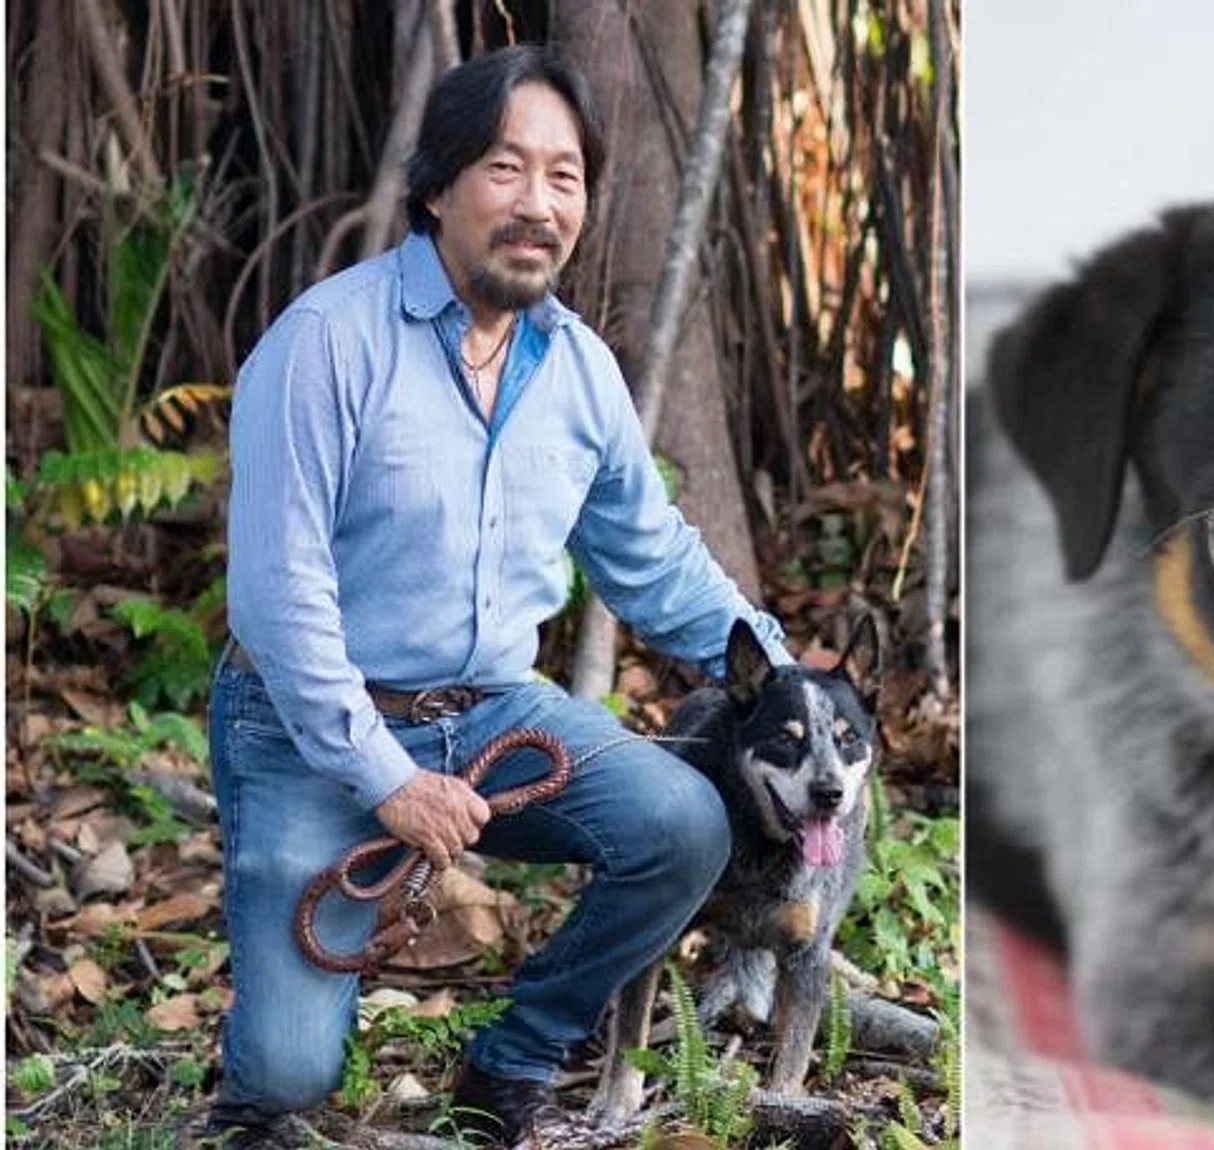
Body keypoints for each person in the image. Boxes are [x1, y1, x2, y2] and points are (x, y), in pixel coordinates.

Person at [202, 44, 788, 1148]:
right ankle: (264, 1062)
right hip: (307, 724)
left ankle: (511, 1057)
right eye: (507, 169)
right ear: (436, 187)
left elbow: (651, 557)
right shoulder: (326, 343)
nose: (538, 205)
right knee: (285, 1078)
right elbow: (280, 601)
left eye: (565, 177)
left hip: (490, 716)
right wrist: (384, 778)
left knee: (680, 821)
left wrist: (790, 681)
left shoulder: (578, 371)